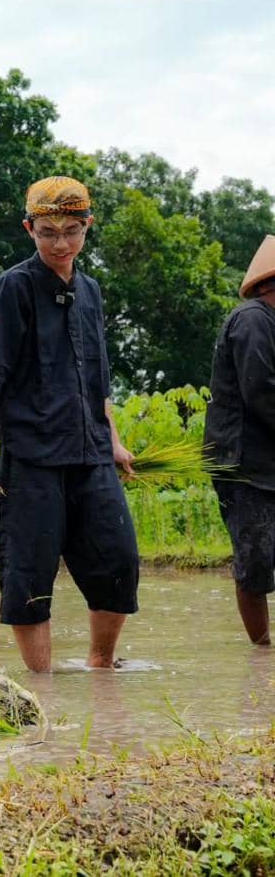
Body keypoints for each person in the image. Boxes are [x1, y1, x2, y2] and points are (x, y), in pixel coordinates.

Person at [0, 176, 139, 672]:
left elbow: (98, 376)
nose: (60, 243)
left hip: (90, 453)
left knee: (119, 561)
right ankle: (40, 686)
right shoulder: (14, 287)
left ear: (87, 226)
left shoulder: (91, 292)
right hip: (33, 457)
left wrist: (115, 440)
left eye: (71, 230)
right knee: (28, 575)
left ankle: (100, 667)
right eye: (47, 232)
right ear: (29, 229)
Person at [205, 235, 275, 645]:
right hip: (244, 465)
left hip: (268, 464)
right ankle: (262, 652)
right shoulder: (252, 320)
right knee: (254, 561)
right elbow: (261, 390)